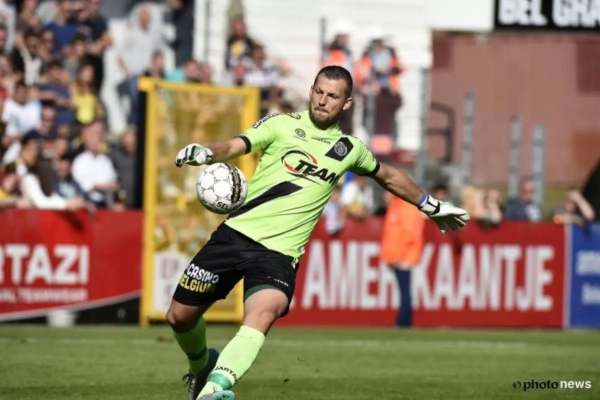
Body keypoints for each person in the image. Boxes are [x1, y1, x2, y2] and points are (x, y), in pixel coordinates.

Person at [170, 65, 470, 400]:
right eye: (319, 92)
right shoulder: (281, 124)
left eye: (332, 96)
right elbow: (236, 144)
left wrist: (430, 204)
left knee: (262, 313)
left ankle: (214, 390)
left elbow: (388, 176)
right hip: (234, 235)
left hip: (279, 255)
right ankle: (202, 366)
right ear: (311, 91)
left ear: (346, 103)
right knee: (179, 317)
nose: (322, 101)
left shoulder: (349, 148)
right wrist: (207, 152)